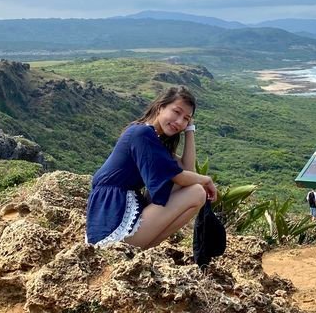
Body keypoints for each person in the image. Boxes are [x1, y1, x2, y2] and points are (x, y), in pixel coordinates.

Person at [85, 86, 217, 248]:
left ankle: (141, 252)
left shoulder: (152, 137)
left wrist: (190, 129)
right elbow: (181, 177)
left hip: (115, 215)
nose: (179, 121)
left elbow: (186, 171)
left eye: (186, 119)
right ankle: (138, 250)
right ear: (160, 107)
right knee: (197, 192)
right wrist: (206, 180)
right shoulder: (142, 134)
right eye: (176, 112)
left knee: (190, 187)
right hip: (113, 219)